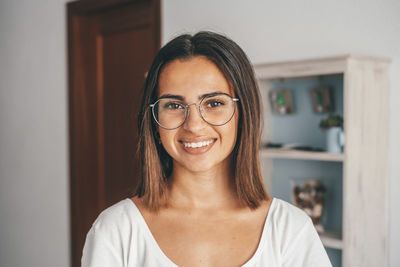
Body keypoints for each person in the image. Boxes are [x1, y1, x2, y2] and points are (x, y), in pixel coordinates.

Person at [81, 31, 332, 267]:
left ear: (243, 113)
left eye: (214, 103)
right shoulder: (115, 231)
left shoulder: (291, 230)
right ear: (154, 119)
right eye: (174, 105)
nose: (194, 125)